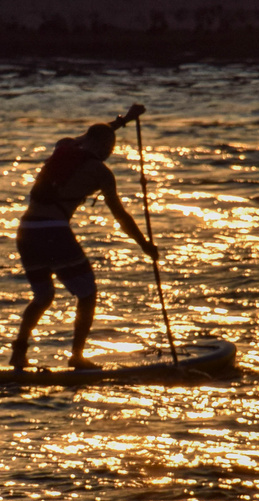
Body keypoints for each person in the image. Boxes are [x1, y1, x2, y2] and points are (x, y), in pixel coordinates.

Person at [11, 103, 159, 370]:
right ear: (105, 147)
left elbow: (94, 135)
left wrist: (125, 119)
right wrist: (145, 245)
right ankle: (77, 357)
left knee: (43, 297)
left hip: (26, 231)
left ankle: (19, 352)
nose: (109, 154)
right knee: (87, 294)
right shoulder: (101, 172)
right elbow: (121, 216)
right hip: (52, 231)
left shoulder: (63, 146)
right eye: (110, 149)